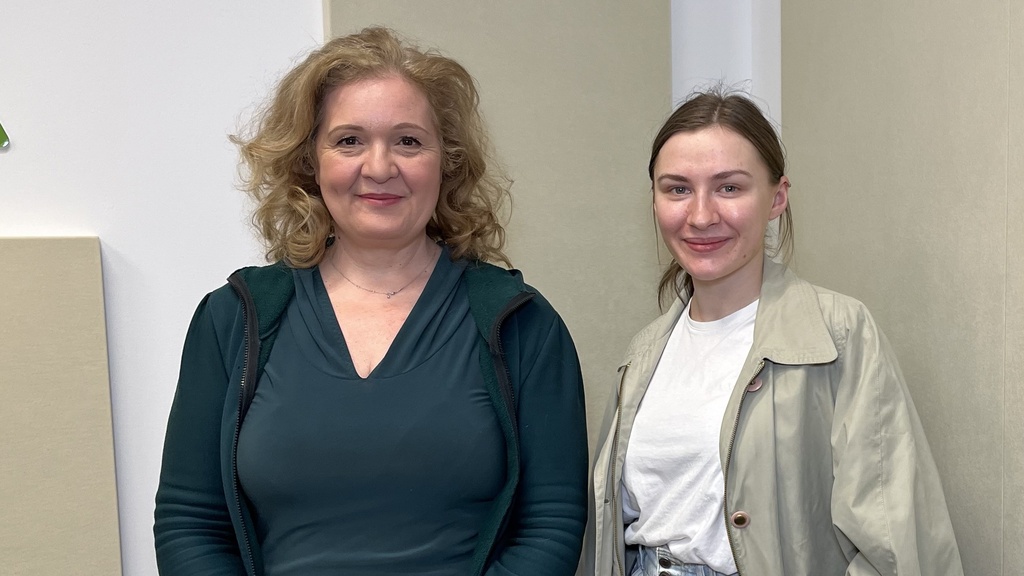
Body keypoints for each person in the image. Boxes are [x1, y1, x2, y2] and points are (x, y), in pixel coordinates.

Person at [154, 27, 588, 576]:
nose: (379, 167)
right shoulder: (234, 318)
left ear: (447, 161)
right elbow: (189, 522)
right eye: (349, 141)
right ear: (309, 161)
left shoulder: (522, 323)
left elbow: (551, 525)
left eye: (408, 141)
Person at [582, 90, 963, 576]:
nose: (700, 215)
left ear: (777, 198)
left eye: (729, 187)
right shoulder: (642, 356)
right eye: (677, 189)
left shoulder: (839, 336)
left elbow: (897, 543)